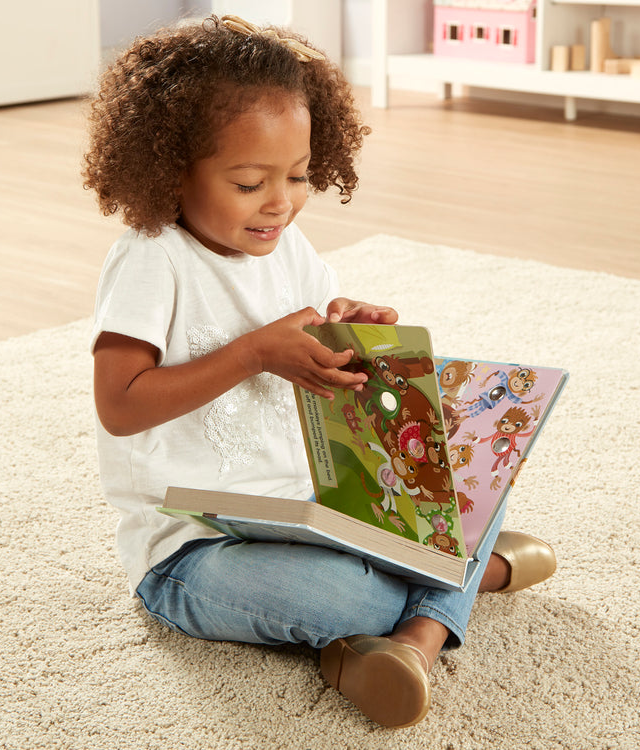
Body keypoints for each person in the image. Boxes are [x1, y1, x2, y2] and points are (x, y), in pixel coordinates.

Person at [83, 15, 556, 728]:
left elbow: (309, 354)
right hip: (193, 549)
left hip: (304, 506)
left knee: (475, 465)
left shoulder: (289, 246)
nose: (280, 202)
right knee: (347, 601)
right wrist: (253, 352)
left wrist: (352, 332)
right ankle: (453, 585)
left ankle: (412, 641)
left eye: (299, 176)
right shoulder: (152, 259)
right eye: (248, 182)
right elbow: (119, 405)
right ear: (170, 166)